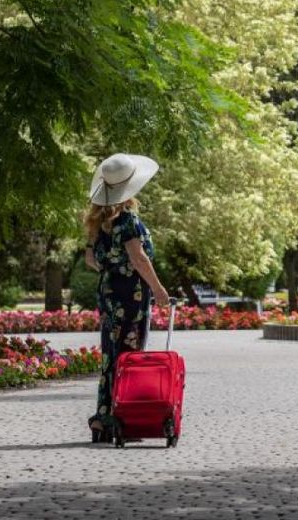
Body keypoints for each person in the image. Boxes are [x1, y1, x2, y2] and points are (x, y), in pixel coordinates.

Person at [83, 153, 171, 442]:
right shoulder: (128, 221)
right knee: (129, 354)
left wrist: (112, 265)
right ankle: (123, 416)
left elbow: (90, 261)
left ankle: (103, 416)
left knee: (111, 354)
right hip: (131, 295)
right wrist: (158, 290)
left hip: (108, 293)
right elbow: (139, 258)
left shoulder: (97, 223)